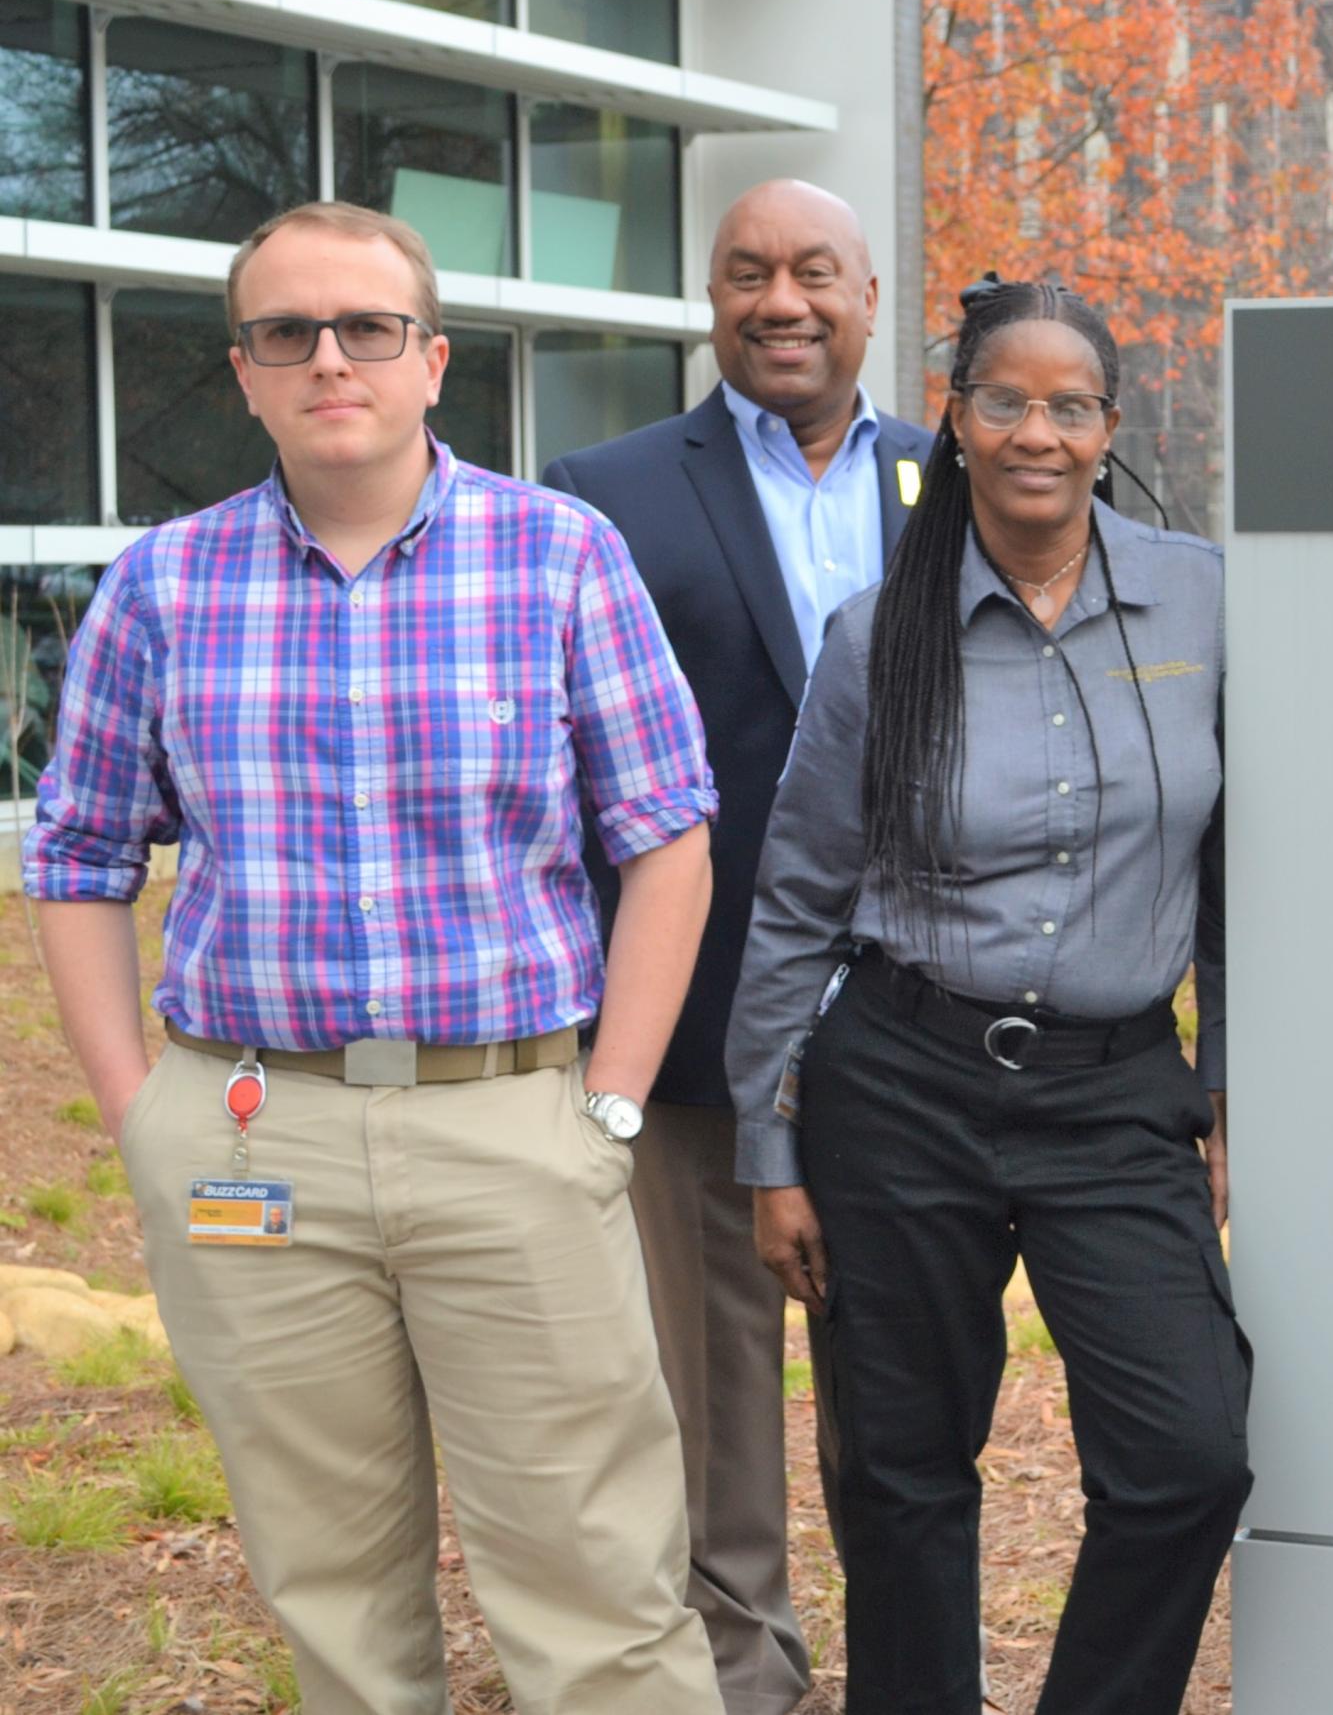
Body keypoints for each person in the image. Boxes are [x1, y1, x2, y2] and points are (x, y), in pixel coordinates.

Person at [25, 202, 723, 1713]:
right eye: (289, 331)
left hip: (514, 1127)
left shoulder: (560, 558)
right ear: (247, 373)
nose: (328, 356)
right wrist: (144, 1112)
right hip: (251, 1139)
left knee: (598, 1580)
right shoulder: (164, 587)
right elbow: (79, 855)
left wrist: (608, 1107)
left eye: (366, 328)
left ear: (431, 360)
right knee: (330, 1588)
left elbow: (669, 837)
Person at [725, 274, 1242, 1714]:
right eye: (1003, 399)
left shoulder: (1201, 594)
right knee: (900, 1476)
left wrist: (1225, 1094)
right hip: (901, 1083)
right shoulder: (874, 632)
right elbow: (795, 908)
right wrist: (771, 1151)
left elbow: (1239, 886)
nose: (1036, 431)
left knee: (1189, 1453)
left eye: (1068, 404)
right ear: (954, 418)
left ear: (1109, 425)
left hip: (1116, 1086)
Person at [541, 179, 931, 1715]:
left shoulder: (957, 475)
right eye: (747, 272)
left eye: (813, 271)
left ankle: (909, 1665)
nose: (783, 299)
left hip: (917, 1028)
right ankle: (744, 1674)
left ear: (869, 296)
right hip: (698, 1026)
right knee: (710, 1400)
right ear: (711, 301)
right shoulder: (609, 489)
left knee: (897, 1395)